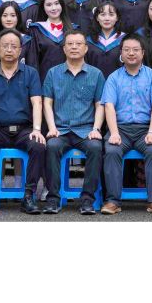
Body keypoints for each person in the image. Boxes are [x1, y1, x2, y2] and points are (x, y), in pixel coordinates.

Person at [0, 30, 47, 214]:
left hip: (24, 129)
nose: (9, 50)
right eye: (5, 46)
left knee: (38, 145)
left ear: (20, 50)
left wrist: (37, 129)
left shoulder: (30, 73)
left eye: (13, 46)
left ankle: (28, 196)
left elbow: (37, 102)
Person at [39, 31, 109, 215]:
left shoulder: (96, 74)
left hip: (85, 130)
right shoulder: (53, 73)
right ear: (64, 49)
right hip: (60, 130)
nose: (74, 47)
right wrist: (52, 128)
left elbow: (100, 105)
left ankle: (87, 199)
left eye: (78, 44)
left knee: (95, 147)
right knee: (51, 146)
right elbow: (47, 103)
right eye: (70, 44)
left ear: (86, 48)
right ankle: (53, 198)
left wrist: (96, 128)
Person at [100, 34, 152, 215]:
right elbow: (108, 106)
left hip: (145, 129)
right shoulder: (113, 78)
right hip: (120, 129)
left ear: (143, 53)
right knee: (112, 151)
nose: (131, 53)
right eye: (127, 50)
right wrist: (114, 133)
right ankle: (113, 201)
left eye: (135, 50)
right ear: (121, 53)